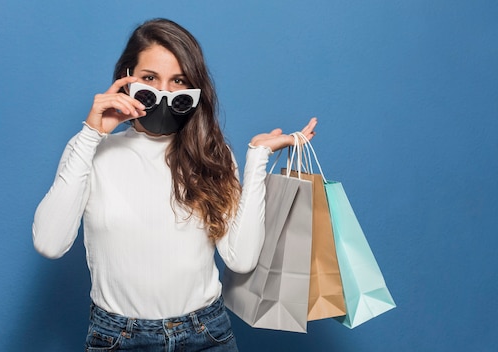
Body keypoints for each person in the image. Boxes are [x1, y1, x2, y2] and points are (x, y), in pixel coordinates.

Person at [32, 18, 316, 351]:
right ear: (127, 79)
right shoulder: (91, 151)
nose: (163, 92)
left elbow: (240, 259)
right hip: (118, 338)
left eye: (178, 81)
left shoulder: (212, 154)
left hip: (206, 334)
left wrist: (256, 159)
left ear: (193, 89)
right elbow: (50, 244)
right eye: (150, 78)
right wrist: (91, 134)